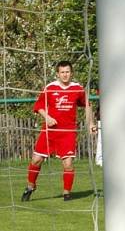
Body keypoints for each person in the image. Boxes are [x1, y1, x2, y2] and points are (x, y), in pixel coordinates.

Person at [22, 60, 96, 202]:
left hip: (68, 132)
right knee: (36, 160)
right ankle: (30, 186)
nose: (65, 75)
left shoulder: (77, 89)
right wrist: (47, 117)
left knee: (68, 163)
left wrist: (91, 123)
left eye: (67, 72)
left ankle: (66, 193)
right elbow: (38, 106)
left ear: (71, 73)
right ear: (57, 74)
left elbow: (87, 106)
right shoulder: (50, 88)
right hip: (49, 131)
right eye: (62, 72)